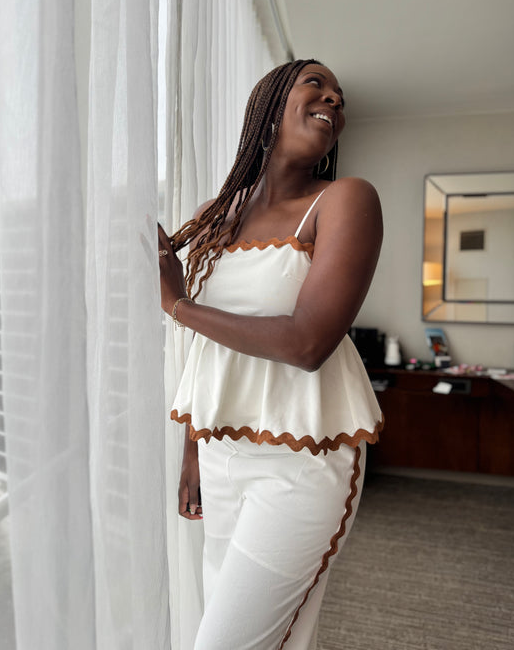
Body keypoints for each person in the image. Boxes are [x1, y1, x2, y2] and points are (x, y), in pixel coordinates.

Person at [157, 58, 383, 650]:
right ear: (269, 104)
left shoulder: (345, 200)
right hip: (221, 453)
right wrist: (194, 450)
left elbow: (307, 343)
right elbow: (209, 346)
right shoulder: (215, 216)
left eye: (339, 95)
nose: (334, 99)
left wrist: (178, 304)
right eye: (316, 84)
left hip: (304, 462)